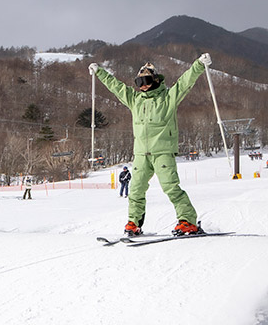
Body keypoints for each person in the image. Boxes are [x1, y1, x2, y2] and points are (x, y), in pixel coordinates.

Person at [89, 53, 212, 236]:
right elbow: (116, 87)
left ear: (155, 80)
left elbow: (185, 82)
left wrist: (199, 65)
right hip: (141, 153)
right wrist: (99, 72)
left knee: (171, 187)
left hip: (163, 151)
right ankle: (133, 223)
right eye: (139, 82)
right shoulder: (135, 100)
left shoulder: (168, 98)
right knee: (135, 189)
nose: (143, 86)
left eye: (146, 81)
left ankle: (187, 221)